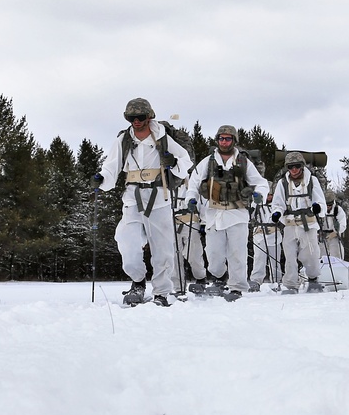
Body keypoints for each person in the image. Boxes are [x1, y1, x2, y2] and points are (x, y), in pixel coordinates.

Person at [94, 98, 193, 306]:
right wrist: (101, 178)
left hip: (159, 196)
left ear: (149, 117)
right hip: (132, 197)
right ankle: (138, 282)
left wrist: (173, 162)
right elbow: (111, 165)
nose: (136, 121)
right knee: (126, 242)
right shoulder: (124, 139)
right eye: (131, 118)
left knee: (163, 249)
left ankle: (162, 292)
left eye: (140, 117)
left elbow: (185, 160)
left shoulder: (164, 137)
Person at [185, 125, 269, 301]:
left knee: (237, 254)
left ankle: (237, 287)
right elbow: (193, 183)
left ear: (234, 140)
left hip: (237, 213)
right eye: (221, 138)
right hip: (214, 213)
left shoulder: (244, 162)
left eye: (228, 138)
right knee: (213, 256)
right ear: (217, 140)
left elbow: (260, 182)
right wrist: (191, 199)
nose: (224, 142)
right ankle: (219, 277)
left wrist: (258, 194)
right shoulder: (208, 162)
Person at [269, 151, 327, 294]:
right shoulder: (283, 183)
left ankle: (313, 279)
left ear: (302, 166)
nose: (294, 170)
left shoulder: (312, 181)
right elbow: (278, 202)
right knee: (289, 256)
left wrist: (317, 207)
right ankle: (290, 284)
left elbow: (320, 199)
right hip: (290, 223)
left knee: (311, 254)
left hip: (308, 223)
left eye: (296, 166)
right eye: (290, 167)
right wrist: (276, 213)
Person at [173, 182, 208, 296]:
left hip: (191, 221)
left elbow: (203, 204)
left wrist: (204, 223)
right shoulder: (166, 184)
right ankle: (179, 287)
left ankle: (200, 278)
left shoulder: (193, 184)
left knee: (194, 253)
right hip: (172, 222)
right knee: (174, 256)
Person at [248, 176, 281, 292]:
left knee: (275, 260)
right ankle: (256, 281)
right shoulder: (256, 204)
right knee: (259, 260)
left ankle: (277, 281)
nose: (269, 197)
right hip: (259, 234)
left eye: (271, 194)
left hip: (273, 234)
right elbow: (249, 216)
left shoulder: (277, 204)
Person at [320, 189, 347, 260]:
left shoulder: (338, 210)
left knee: (336, 255)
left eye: (330, 205)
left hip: (334, 235)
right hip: (321, 236)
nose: (328, 207)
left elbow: (343, 224)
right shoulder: (319, 209)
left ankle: (337, 268)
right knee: (321, 256)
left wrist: (335, 232)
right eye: (326, 205)